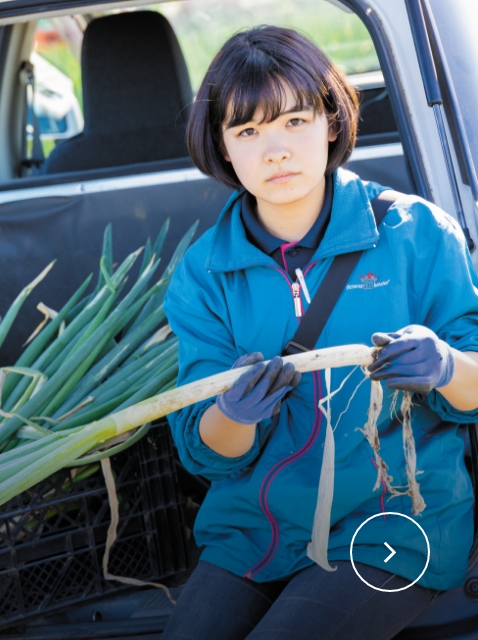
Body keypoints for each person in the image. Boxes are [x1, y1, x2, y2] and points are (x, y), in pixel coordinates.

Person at [162, 25, 478, 640]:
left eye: (294, 122)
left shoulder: (417, 234)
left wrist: (447, 367)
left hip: (395, 527)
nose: (274, 151)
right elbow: (202, 448)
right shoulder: (203, 273)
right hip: (252, 532)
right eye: (247, 131)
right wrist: (234, 414)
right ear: (223, 147)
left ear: (332, 122)